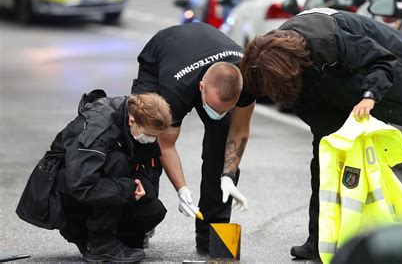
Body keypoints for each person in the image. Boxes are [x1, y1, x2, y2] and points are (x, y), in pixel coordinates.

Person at [240, 8, 402, 260]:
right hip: (328, 90)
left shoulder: (327, 40)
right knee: (325, 163)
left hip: (379, 76)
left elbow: (382, 60)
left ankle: (378, 236)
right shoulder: (271, 56)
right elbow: (301, 99)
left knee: (365, 167)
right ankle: (318, 241)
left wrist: (370, 96)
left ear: (288, 70)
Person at [131, 22, 255, 253]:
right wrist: (182, 190)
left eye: (225, 110)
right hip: (164, 51)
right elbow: (165, 145)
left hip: (206, 49)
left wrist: (228, 176)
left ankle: (211, 234)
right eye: (213, 108)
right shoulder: (174, 93)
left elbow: (239, 130)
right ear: (200, 88)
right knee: (144, 139)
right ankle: (140, 222)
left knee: (222, 147)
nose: (218, 115)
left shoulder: (247, 79)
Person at [19, 89, 173, 262]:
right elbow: (81, 185)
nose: (151, 139)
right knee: (118, 161)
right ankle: (100, 243)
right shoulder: (99, 128)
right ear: (132, 121)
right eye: (150, 135)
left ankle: (111, 240)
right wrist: (129, 189)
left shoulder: (140, 124)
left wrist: (142, 188)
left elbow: (149, 172)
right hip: (61, 191)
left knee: (153, 211)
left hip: (95, 187)